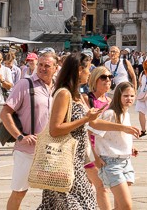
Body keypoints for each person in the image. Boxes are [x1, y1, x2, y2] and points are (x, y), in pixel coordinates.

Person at [39, 53, 104, 209]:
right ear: (79, 70)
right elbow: (55, 129)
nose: (90, 73)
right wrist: (85, 119)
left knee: (85, 204)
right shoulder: (64, 94)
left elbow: (93, 122)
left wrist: (125, 129)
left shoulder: (77, 95)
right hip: (63, 162)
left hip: (77, 163)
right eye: (88, 69)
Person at [1, 51, 57, 210]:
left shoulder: (57, 88)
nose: (42, 68)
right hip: (27, 151)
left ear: (55, 68)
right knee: (19, 192)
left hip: (50, 151)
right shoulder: (25, 84)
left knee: (55, 193)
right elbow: (5, 113)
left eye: (47, 66)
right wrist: (20, 137)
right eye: (40, 64)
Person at [90, 82, 142, 210]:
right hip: (111, 162)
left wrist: (130, 147)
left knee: (120, 206)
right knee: (126, 206)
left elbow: (116, 136)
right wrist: (95, 157)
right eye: (125, 96)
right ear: (118, 96)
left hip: (126, 161)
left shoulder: (126, 113)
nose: (129, 99)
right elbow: (91, 130)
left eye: (131, 96)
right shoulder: (110, 114)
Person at [84, 65, 115, 210]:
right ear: (95, 79)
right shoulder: (87, 99)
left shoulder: (110, 101)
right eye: (103, 77)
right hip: (89, 148)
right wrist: (95, 156)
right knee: (101, 186)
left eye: (110, 77)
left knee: (89, 186)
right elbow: (87, 128)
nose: (107, 80)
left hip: (105, 148)